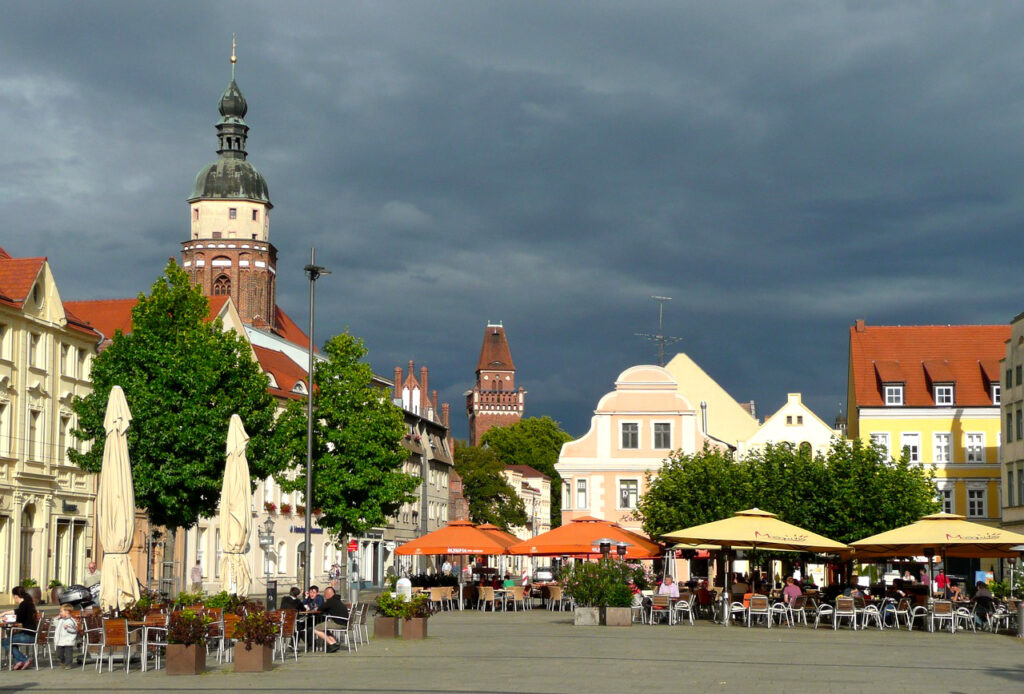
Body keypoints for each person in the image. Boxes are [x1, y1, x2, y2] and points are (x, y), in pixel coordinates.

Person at [1, 586, 38, 670]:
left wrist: (5, 617)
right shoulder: (27, 603)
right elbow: (18, 613)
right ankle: (18, 662)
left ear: (16, 596)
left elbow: (18, 617)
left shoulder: (24, 604)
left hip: (29, 635)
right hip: (32, 633)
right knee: (11, 640)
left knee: (5, 642)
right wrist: (6, 614)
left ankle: (24, 660)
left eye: (13, 597)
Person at [312, 586, 349, 653]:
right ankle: (334, 642)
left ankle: (331, 643)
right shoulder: (337, 601)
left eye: (325, 595)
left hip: (338, 623)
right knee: (323, 628)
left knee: (316, 629)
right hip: (343, 622)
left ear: (328, 594)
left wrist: (316, 608)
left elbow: (320, 609)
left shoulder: (331, 601)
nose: (324, 596)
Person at [53, 603, 79, 669]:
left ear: (67, 612)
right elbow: (55, 624)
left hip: (68, 641)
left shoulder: (71, 621)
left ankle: (68, 664)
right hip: (60, 640)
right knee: (59, 654)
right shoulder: (61, 620)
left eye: (61, 611)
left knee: (68, 654)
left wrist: (67, 628)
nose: (60, 613)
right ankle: (63, 661)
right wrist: (56, 618)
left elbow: (74, 630)